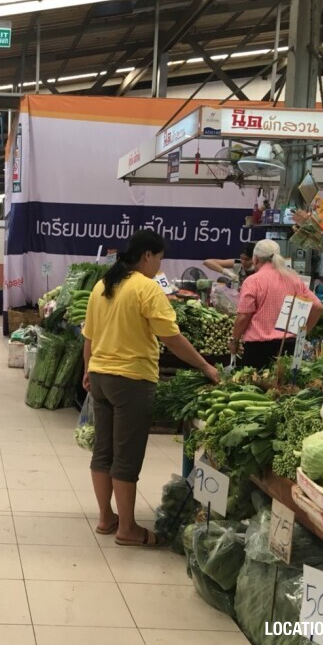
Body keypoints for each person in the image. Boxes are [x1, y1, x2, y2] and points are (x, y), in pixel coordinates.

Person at [82, 230, 220, 547]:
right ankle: (127, 529)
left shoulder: (103, 285)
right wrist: (204, 365)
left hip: (101, 376)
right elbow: (171, 337)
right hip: (131, 379)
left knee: (103, 451)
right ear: (147, 255)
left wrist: (87, 369)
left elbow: (88, 335)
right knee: (126, 457)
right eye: (159, 258)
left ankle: (106, 518)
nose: (159, 265)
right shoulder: (147, 289)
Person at [230, 239, 323, 370]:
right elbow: (318, 307)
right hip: (288, 346)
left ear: (255, 259)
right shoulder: (294, 279)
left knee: (256, 388)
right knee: (284, 387)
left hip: (258, 349)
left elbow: (243, 317)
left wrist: (234, 340)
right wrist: (303, 332)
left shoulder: (253, 281)